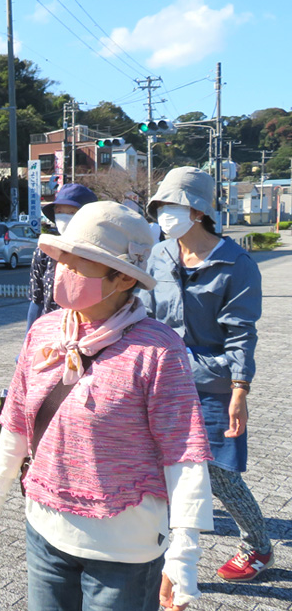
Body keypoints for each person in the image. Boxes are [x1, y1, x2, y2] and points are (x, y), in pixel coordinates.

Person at [0, 201, 214, 611]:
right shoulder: (44, 332)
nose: (61, 269)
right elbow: (16, 422)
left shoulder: (157, 350)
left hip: (125, 548)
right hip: (44, 531)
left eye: (78, 262)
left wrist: (184, 553)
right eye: (63, 257)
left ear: (122, 278)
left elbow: (184, 452)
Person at [140, 166, 273, 582]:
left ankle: (258, 545)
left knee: (219, 474)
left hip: (212, 383)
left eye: (171, 205)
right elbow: (144, 313)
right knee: (158, 467)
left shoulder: (236, 264)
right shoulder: (160, 254)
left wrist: (240, 390)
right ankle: (158, 548)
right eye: (159, 206)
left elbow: (241, 334)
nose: (163, 214)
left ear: (197, 211)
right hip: (162, 379)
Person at [26, 183, 98, 331]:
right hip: (51, 334)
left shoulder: (101, 254)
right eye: (59, 211)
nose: (63, 217)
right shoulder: (45, 250)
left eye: (71, 212)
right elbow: (37, 300)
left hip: (92, 335)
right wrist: (28, 342)